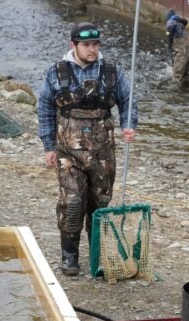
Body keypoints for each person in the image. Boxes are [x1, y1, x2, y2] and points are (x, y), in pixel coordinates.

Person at [38, 21, 137, 276]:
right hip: (68, 153)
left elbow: (128, 100)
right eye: (86, 45)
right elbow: (45, 109)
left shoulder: (112, 72)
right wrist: (48, 146)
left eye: (95, 44)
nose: (92, 49)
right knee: (72, 202)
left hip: (103, 153)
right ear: (74, 45)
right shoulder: (56, 72)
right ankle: (69, 255)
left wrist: (129, 125)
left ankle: (97, 254)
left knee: (100, 203)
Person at [165, 9, 189, 84]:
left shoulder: (170, 23)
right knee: (185, 75)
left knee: (176, 77)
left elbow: (170, 28)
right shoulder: (180, 24)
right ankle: (187, 89)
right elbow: (186, 21)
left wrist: (169, 45)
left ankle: (176, 91)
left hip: (183, 53)